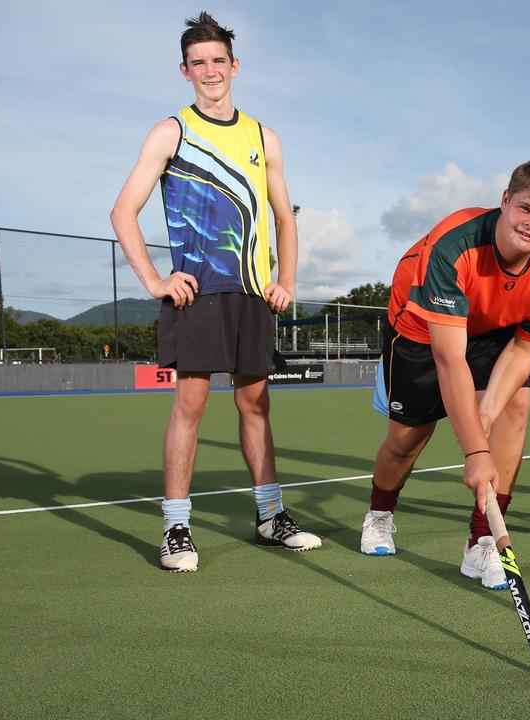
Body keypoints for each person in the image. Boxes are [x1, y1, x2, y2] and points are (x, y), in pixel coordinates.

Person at [110, 12, 320, 572]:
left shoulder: (262, 136)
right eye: (198, 62)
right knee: (191, 403)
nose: (210, 70)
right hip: (196, 294)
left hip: (254, 293)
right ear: (185, 70)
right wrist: (154, 280)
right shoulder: (170, 131)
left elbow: (284, 216)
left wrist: (286, 281)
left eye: (218, 60)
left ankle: (271, 516)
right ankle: (177, 527)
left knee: (256, 402)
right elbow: (122, 212)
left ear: (235, 65)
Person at [361, 161, 530, 591]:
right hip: (422, 329)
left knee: (516, 404)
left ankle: (482, 541)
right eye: (525, 208)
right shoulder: (453, 243)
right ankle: (379, 514)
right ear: (504, 201)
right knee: (408, 439)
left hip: (494, 330)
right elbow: (449, 359)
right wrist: (476, 451)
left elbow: (523, 348)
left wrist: (485, 416)